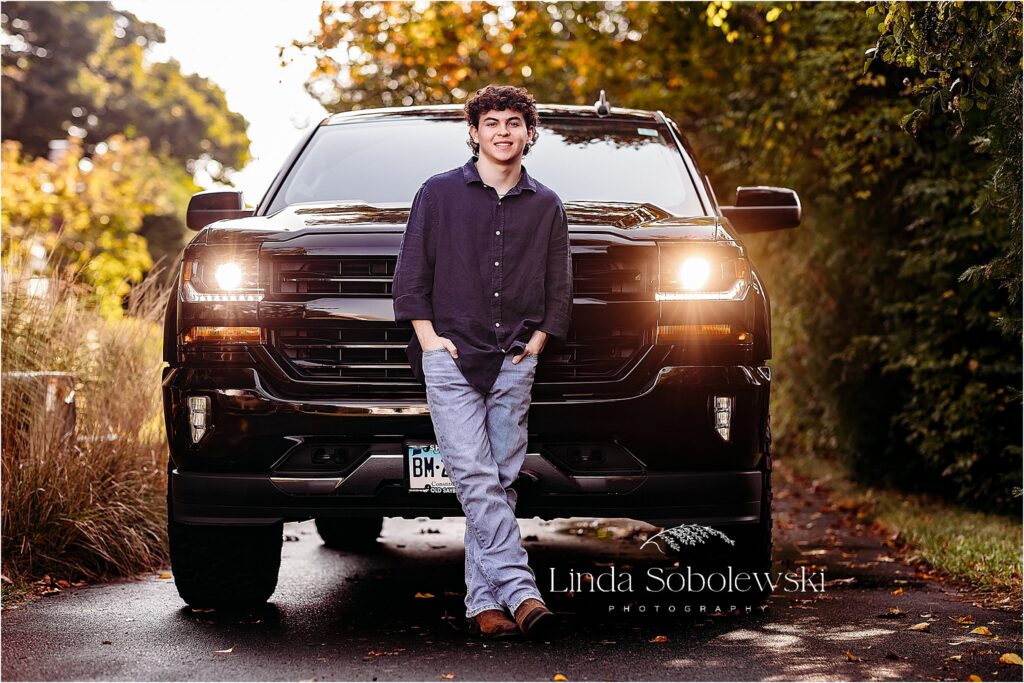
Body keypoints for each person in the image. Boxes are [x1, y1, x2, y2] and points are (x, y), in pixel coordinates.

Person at [392, 84, 572, 639]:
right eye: (491, 121)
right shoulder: (439, 194)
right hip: (451, 356)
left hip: (515, 358)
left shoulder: (546, 205)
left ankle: (483, 604)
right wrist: (428, 340)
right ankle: (521, 591)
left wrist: (538, 343)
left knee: (499, 478)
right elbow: (411, 277)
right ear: (473, 132)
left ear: (529, 133)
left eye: (513, 122)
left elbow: (559, 286)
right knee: (473, 473)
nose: (502, 131)